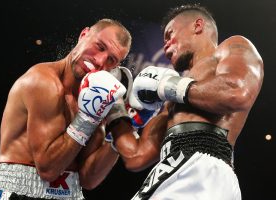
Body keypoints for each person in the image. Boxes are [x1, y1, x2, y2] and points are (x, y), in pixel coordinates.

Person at [107, 4, 264, 200]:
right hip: (169, 171)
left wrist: (168, 85)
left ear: (197, 26)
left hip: (205, 172)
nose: (165, 46)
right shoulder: (171, 99)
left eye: (170, 34)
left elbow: (237, 92)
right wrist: (114, 105)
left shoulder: (232, 47)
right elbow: (136, 156)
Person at [0, 18, 132, 200]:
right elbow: (48, 169)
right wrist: (87, 118)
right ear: (83, 35)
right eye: (100, 47)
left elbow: (88, 180)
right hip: (20, 193)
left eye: (111, 59)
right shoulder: (42, 81)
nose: (100, 60)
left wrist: (121, 132)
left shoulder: (97, 98)